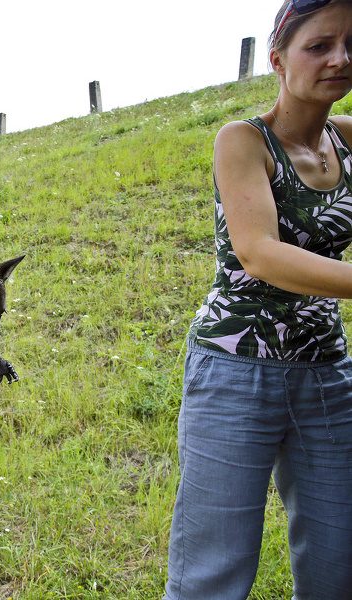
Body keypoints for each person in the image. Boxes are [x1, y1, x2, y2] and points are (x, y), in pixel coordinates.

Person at [162, 1, 352, 598]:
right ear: (277, 59)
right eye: (319, 45)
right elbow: (259, 253)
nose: (340, 58)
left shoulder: (349, 141)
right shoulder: (243, 141)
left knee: (338, 563)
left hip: (327, 373)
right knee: (211, 574)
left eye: (351, 43)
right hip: (235, 372)